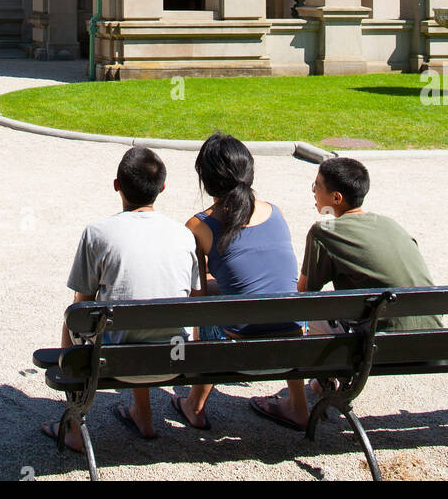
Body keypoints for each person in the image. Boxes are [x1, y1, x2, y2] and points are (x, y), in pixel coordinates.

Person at [254, 155, 443, 429]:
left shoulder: (325, 230)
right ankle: (322, 382)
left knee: (305, 317)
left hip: (384, 346)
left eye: (317, 186)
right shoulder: (390, 224)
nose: (314, 191)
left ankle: (303, 398)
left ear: (337, 198)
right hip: (434, 336)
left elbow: (304, 296)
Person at [41, 146, 198, 447]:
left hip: (116, 360)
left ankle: (74, 426)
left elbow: (80, 307)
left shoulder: (98, 232)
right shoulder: (183, 235)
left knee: (72, 318)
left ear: (117, 185)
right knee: (148, 311)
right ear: (163, 187)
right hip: (174, 359)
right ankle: (144, 414)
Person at [172, 133, 306, 432]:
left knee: (207, 307)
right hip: (295, 344)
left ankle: (195, 405)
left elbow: (198, 293)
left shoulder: (199, 225)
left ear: (205, 181)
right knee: (277, 300)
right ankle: (299, 405)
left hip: (243, 347)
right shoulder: (276, 211)